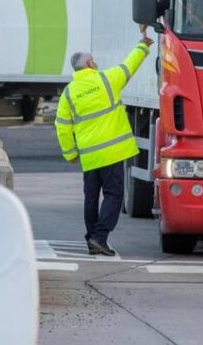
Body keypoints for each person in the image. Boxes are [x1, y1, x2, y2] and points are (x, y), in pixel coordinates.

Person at [54, 25, 153, 256]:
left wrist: (70, 153)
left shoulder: (68, 93)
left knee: (91, 198)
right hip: (112, 153)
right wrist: (143, 46)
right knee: (113, 195)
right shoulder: (107, 80)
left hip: (89, 157)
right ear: (89, 64)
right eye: (94, 60)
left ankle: (92, 239)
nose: (96, 63)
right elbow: (130, 65)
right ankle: (99, 237)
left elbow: (62, 127)